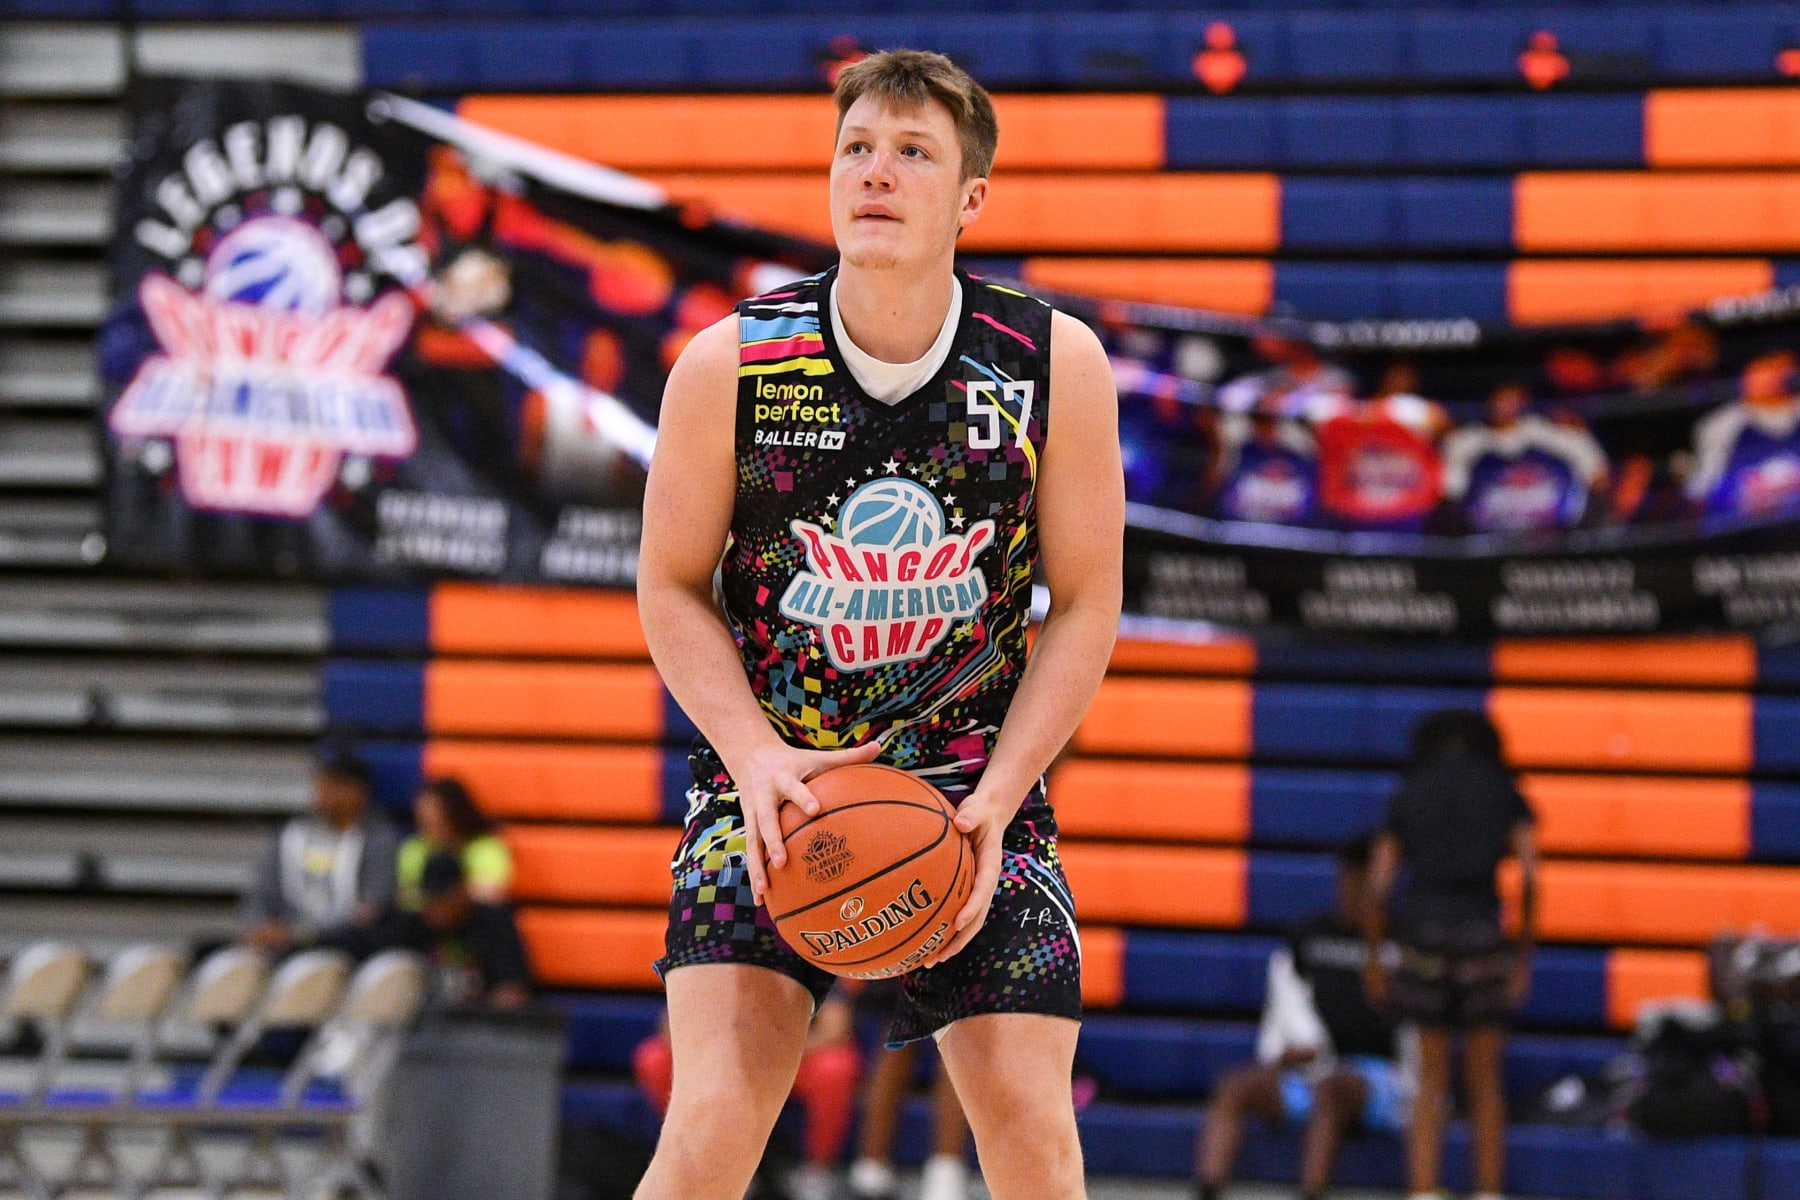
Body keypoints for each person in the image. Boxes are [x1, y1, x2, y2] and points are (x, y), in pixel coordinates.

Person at [633, 49, 1123, 1200]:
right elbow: (669, 584)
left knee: (1034, 1137)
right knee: (710, 1127)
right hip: (774, 785)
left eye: (912, 152)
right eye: (856, 148)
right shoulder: (733, 365)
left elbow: (1087, 602)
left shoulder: (1050, 364)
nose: (876, 172)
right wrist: (754, 757)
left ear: (970, 197)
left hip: (973, 783)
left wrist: (998, 799)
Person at [1364, 711, 1539, 1200]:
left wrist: (1374, 957)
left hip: (1423, 938)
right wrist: (1523, 955)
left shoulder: (1410, 791)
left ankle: (1423, 1191)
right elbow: (1530, 874)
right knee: (1485, 1080)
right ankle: (1488, 1192)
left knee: (1431, 1078)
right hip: (1482, 936)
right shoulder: (1502, 789)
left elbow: (1378, 886)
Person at [1194, 834, 1417, 1200]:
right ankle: (1206, 1190)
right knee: (1234, 1086)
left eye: (1365, 883)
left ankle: (1312, 1193)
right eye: (1349, 881)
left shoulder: (1403, 944)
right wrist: (1283, 1054)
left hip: (1378, 1078)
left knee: (1333, 1089)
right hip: (1310, 1072)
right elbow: (1283, 1008)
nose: (1356, 893)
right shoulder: (1309, 937)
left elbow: (1417, 1037)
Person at [636, 991, 862, 1200]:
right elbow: (671, 1028)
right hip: (727, 1057)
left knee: (835, 1068)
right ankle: (707, 1163)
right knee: (655, 1060)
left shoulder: (810, 960)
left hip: (794, 1058)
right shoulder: (714, 964)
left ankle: (818, 1171)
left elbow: (835, 1028)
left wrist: (771, 1054)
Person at [240, 743, 401, 952]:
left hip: (343, 946)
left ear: (357, 792)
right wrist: (261, 926)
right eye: (320, 785)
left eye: (332, 786)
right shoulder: (291, 835)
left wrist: (301, 934)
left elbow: (369, 910)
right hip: (284, 942)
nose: (322, 793)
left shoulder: (379, 840)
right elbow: (260, 892)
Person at [328, 850, 532, 1010]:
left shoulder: (494, 922)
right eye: (430, 900)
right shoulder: (412, 923)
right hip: (418, 1030)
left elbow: (512, 992)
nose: (435, 909)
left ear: (462, 892)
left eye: (443, 899)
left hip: (476, 1029)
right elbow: (361, 945)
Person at [847, 980, 973, 1200]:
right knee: (954, 1041)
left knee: (899, 1039)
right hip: (957, 965)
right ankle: (944, 1174)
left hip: (901, 967)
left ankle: (871, 1169)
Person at [1440, 382, 1608, 533]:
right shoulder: (1462, 442)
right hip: (1489, 540)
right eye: (1498, 398)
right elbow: (1452, 494)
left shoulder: (1553, 433)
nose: (1503, 405)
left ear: (1523, 398)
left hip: (1555, 537)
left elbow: (1597, 474)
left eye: (1510, 397)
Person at [1686, 350, 1800, 520]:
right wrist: (1744, 490)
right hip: (1748, 524)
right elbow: (1702, 489)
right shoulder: (1721, 424)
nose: (1773, 376)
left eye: (1781, 368)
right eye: (1764, 368)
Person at [396, 776, 513, 908]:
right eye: (422, 818)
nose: (429, 821)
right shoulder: (414, 848)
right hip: (424, 918)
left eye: (436, 816)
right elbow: (405, 895)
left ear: (455, 813)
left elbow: (493, 893)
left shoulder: (485, 847)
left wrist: (444, 894)